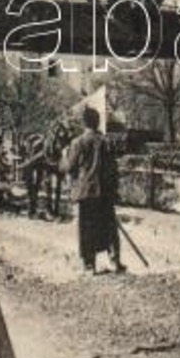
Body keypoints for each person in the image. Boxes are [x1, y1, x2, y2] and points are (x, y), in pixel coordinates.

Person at [60, 107, 124, 274]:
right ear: (97, 122)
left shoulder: (78, 142)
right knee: (110, 226)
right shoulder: (106, 141)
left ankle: (89, 266)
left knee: (86, 228)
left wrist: (63, 158)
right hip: (105, 191)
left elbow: (69, 167)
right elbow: (113, 169)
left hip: (86, 191)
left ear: (84, 123)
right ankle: (115, 261)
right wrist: (114, 189)